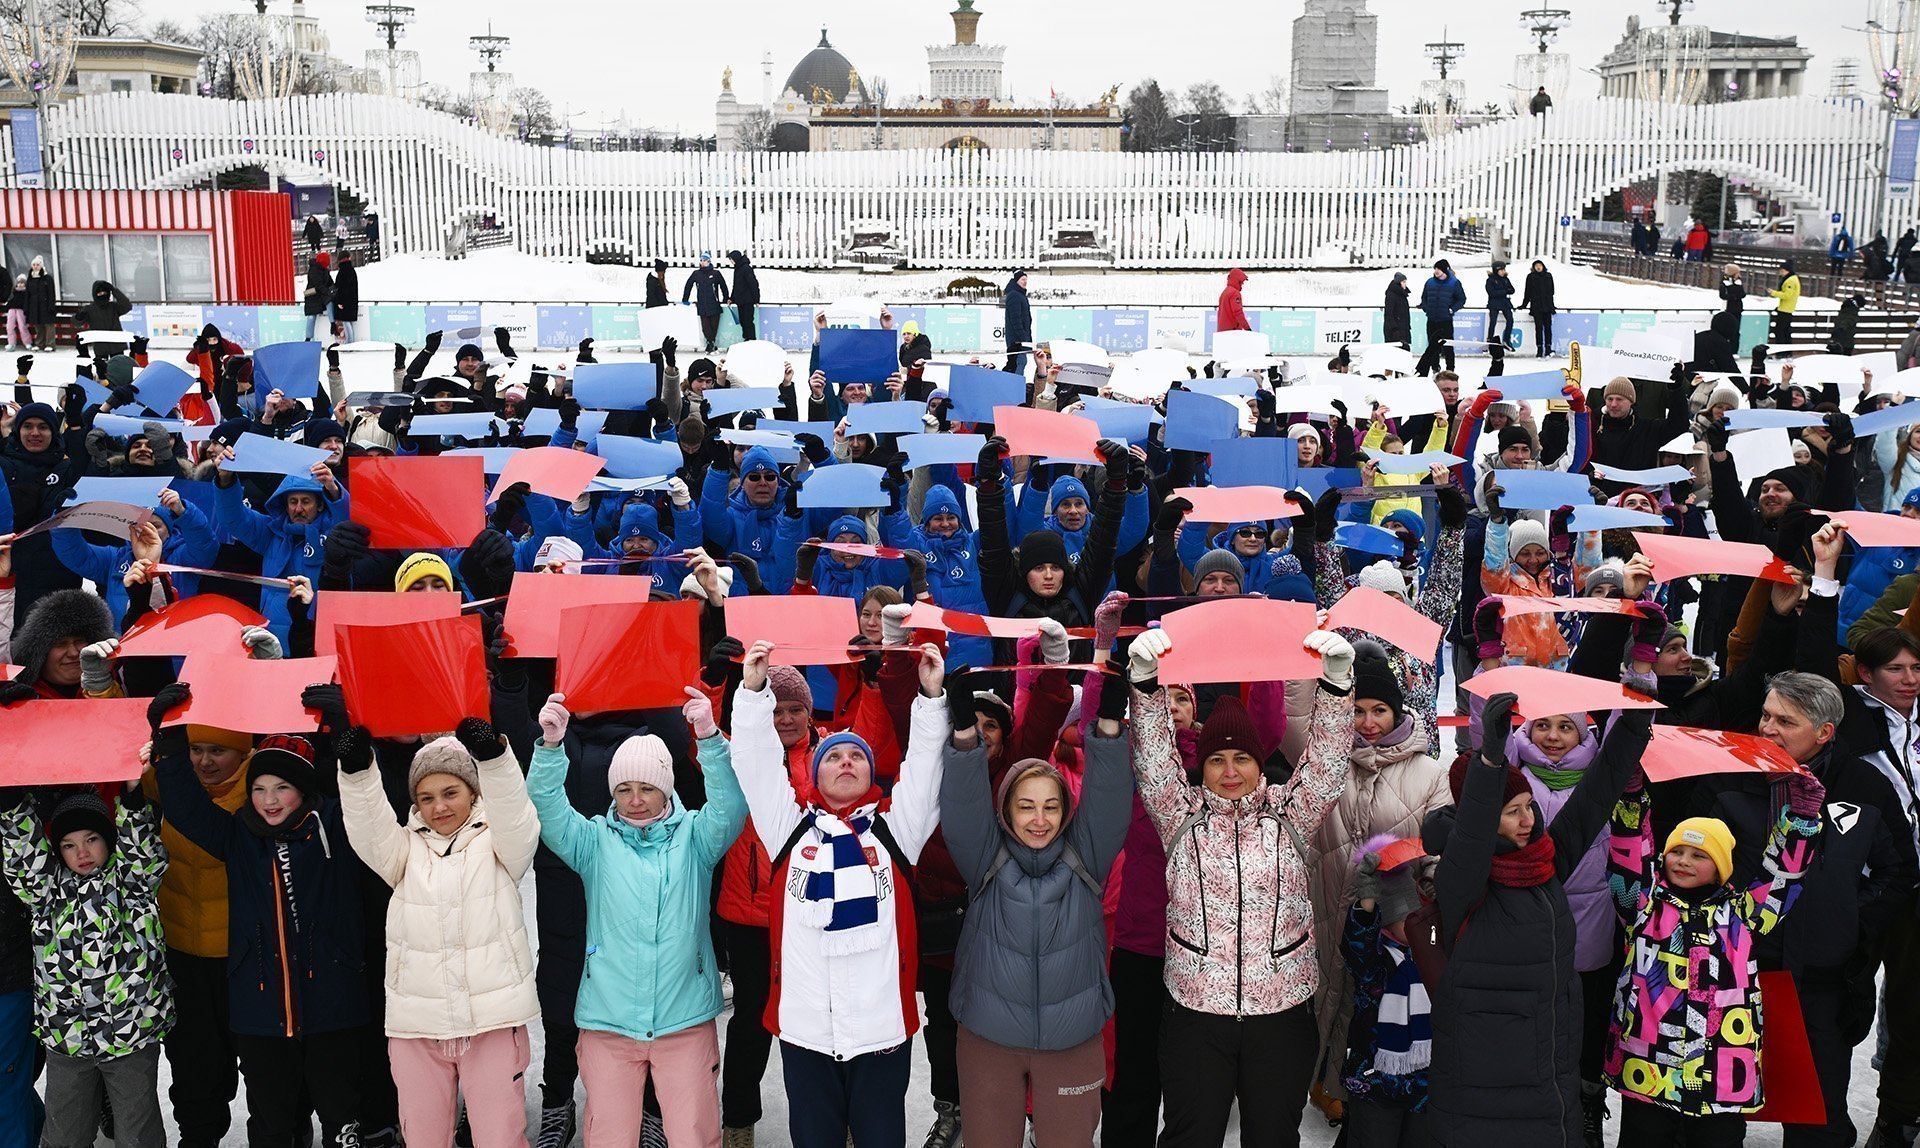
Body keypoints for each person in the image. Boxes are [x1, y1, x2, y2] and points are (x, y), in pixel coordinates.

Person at [1126, 624, 1357, 1147]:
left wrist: (1339, 687)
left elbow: (1324, 764)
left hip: (1279, 1014)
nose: (1230, 771)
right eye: (1216, 759)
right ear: (1201, 766)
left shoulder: (1291, 815)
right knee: (1191, 1134)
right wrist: (1144, 685)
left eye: (1242, 758)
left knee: (1273, 1136)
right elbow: (1154, 758)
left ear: (1259, 763)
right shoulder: (1179, 815)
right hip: (1195, 1013)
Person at [733, 637, 948, 1148]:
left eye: (858, 756)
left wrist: (932, 698)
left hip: (881, 1032)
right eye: (834, 757)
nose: (846, 762)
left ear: (872, 773)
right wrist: (752, 691)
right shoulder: (789, 829)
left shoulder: (895, 832)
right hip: (806, 1030)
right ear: (815, 772)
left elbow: (924, 768)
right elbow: (756, 764)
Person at [1420, 691, 1653, 1144]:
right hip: (1484, 1077)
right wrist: (1490, 757)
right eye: (1512, 811)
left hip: (1549, 1066)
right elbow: (1472, 834)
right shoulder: (1462, 878)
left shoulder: (1544, 861)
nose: (1528, 819)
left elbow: (1599, 790)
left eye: (1529, 806)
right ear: (1484, 815)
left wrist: (1636, 702)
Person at [153, 694, 374, 1148]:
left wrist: (342, 735)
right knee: (272, 1121)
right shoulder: (237, 835)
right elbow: (186, 809)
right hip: (260, 1008)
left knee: (340, 1116)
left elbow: (362, 793)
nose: (269, 801)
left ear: (305, 791)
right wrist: (172, 744)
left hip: (331, 1001)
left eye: (282, 788)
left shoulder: (335, 826)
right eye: (259, 789)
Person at [528, 688, 745, 1148]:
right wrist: (549, 749)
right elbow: (547, 811)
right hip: (609, 1023)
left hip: (682, 1020)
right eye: (624, 789)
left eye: (647, 787)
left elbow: (730, 808)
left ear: (665, 787)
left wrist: (709, 737)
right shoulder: (593, 841)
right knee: (609, 1137)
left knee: (692, 1135)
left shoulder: (697, 839)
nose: (636, 800)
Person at [941, 655, 1131, 1148]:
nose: (1039, 819)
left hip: (1072, 1043)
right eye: (1025, 806)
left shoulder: (1084, 859)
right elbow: (962, 807)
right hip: (989, 1041)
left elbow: (1109, 798)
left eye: (1050, 806)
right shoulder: (986, 859)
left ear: (1066, 809)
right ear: (1005, 810)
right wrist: (963, 732)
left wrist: (1109, 722)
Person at [337, 716, 541, 1148]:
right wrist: (357, 773)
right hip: (418, 1027)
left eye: (451, 793)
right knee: (424, 1138)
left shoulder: (500, 845)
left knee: (500, 1137)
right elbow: (368, 828)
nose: (439, 807)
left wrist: (494, 760)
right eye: (426, 797)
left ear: (473, 792)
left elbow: (517, 817)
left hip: (491, 1021)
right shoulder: (403, 851)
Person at [1605, 762, 1824, 1140]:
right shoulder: (1644, 906)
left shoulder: (1743, 915)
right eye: (1678, 852)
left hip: (1721, 1080)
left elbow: (1781, 878)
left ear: (1722, 868)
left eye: (1699, 855)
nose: (1684, 862)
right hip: (1649, 1073)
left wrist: (1802, 820)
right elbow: (1628, 853)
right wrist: (1629, 797)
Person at [1307, 645, 1448, 1114]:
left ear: (1397, 711)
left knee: (1378, 1012)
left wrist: (1415, 910)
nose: (1368, 722)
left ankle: (1367, 1097)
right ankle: (1328, 1083)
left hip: (1393, 927)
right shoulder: (1324, 764)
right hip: (1328, 905)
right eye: (1358, 710)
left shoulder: (1430, 773)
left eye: (1379, 710)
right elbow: (1289, 716)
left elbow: (1438, 854)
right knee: (1331, 994)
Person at [1, 785, 171, 1148]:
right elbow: (23, 854)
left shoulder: (132, 884)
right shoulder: (46, 891)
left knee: (137, 1132)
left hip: (129, 1034)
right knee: (65, 1133)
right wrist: (10, 802)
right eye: (68, 844)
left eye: (92, 839)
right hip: (68, 1037)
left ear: (109, 839)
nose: (82, 852)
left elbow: (143, 850)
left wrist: (134, 797)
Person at [1338, 840, 1433, 1146]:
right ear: (1388, 924)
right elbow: (1358, 942)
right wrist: (1367, 903)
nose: (1416, 924)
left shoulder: (1432, 954)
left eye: (1419, 916)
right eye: (1408, 919)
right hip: (1375, 1082)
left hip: (1423, 1084)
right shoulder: (1376, 960)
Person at [1414, 259, 1465, 377]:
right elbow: (1424, 298)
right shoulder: (1430, 282)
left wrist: (1451, 309)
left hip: (1445, 320)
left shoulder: (1454, 283)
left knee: (1448, 345)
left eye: (1439, 269)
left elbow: (1461, 299)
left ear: (1445, 270)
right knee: (1432, 346)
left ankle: (1450, 369)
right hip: (1432, 319)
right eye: (1435, 268)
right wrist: (1426, 308)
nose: (1436, 271)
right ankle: (1435, 368)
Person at [682, 253, 731, 352]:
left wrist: (726, 298)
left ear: (709, 261)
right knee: (705, 327)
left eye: (704, 260)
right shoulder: (696, 273)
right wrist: (685, 298)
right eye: (701, 260)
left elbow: (723, 286)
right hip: (702, 304)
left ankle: (711, 344)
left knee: (714, 326)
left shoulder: (716, 273)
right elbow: (688, 285)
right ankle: (711, 343)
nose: (702, 262)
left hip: (714, 304)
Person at [1520, 259, 1555, 357]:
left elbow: (1551, 292)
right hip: (1536, 306)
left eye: (1540, 265)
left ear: (1543, 266)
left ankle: (1548, 348)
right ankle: (1539, 349)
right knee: (1538, 328)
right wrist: (1524, 304)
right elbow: (1527, 292)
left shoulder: (1548, 276)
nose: (1538, 267)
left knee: (1548, 328)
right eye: (1536, 266)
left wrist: (1552, 306)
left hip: (1547, 306)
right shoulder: (1531, 277)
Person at [1003, 269, 1032, 377]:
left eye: (1026, 279)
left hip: (1020, 338)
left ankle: (1015, 385)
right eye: (1022, 279)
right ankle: (1015, 386)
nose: (1025, 281)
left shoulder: (1020, 295)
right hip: (1016, 340)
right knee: (1018, 362)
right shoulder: (1014, 295)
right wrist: (1023, 338)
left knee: (1019, 362)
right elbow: (1016, 319)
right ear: (1016, 281)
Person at [22, 257, 54, 352]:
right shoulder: (30, 278)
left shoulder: (47, 278)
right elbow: (27, 294)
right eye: (34, 265)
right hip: (34, 306)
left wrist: (51, 306)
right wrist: (26, 307)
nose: (35, 267)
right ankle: (39, 343)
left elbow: (51, 293)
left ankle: (50, 344)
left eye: (38, 265)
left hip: (46, 304)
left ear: (42, 266)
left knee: (49, 325)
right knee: (38, 325)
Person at [728, 251, 760, 342]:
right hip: (740, 300)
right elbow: (736, 286)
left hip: (748, 300)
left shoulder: (746, 268)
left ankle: (752, 339)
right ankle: (746, 338)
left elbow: (753, 284)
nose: (731, 261)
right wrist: (731, 298)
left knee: (748, 321)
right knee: (742, 321)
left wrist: (756, 299)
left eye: (731, 259)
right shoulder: (737, 269)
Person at [304, 252, 335, 342]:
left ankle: (332, 324)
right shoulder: (313, 270)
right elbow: (318, 285)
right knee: (311, 317)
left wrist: (334, 289)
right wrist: (328, 292)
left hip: (321, 295)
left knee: (329, 303)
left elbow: (330, 282)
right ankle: (308, 338)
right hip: (312, 296)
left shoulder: (325, 270)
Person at [1484, 261, 1515, 347]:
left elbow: (1512, 290)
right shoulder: (1490, 280)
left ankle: (1506, 339)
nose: (1503, 272)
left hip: (1505, 303)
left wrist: (1506, 291)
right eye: (1501, 270)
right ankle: (1490, 340)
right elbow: (1491, 292)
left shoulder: (1505, 279)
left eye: (1503, 270)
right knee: (1493, 322)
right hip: (1494, 304)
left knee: (1510, 320)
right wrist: (1504, 291)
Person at [1772, 260, 1801, 346]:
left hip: (1785, 309)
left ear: (1787, 270)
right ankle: (1786, 352)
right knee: (1785, 331)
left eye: (1782, 271)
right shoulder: (1793, 278)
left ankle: (1781, 352)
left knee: (1780, 331)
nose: (1781, 273)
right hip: (1787, 308)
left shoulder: (1790, 281)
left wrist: (1774, 293)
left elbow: (1787, 295)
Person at [333, 256, 360, 344]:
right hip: (351, 300)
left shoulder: (343, 271)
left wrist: (340, 301)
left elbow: (341, 288)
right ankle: (350, 341)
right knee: (348, 321)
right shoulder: (351, 270)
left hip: (345, 301)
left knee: (346, 321)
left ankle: (349, 342)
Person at [1383, 272, 1411, 350]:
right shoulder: (1391, 295)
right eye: (1403, 282)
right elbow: (1389, 314)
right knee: (1395, 351)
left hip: (1402, 328)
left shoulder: (1402, 295)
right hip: (1395, 331)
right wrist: (1394, 329)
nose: (1405, 284)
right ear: (1399, 283)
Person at [1217, 268, 1250, 333]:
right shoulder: (1235, 293)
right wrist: (1247, 328)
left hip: (1222, 331)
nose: (1242, 284)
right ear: (1238, 281)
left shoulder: (1225, 292)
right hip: (1232, 331)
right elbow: (1238, 313)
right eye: (1242, 282)